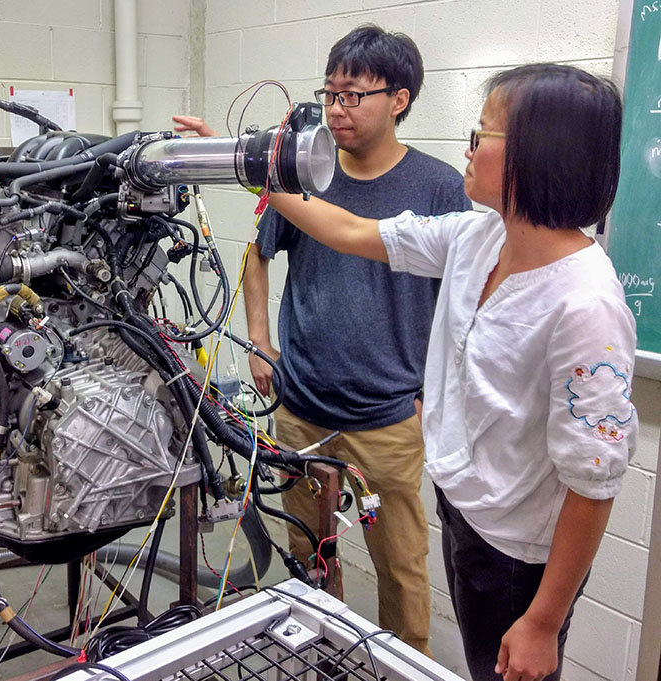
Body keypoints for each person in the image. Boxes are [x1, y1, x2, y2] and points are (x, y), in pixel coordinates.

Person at [259, 63, 635, 681]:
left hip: (520, 557)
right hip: (466, 513)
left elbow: (594, 481)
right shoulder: (478, 237)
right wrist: (257, 176)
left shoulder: (584, 304)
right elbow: (353, 231)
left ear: (535, 157)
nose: (466, 148)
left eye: (480, 135)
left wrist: (542, 621)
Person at [174, 25, 470, 655]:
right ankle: (325, 659)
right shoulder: (304, 175)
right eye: (330, 93)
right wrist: (260, 340)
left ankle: (404, 666)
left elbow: (459, 304)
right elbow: (258, 254)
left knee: (402, 567)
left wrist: (430, 396)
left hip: (390, 417)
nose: (337, 109)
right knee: (310, 556)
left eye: (354, 95)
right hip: (302, 407)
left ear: (400, 99)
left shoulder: (441, 188)